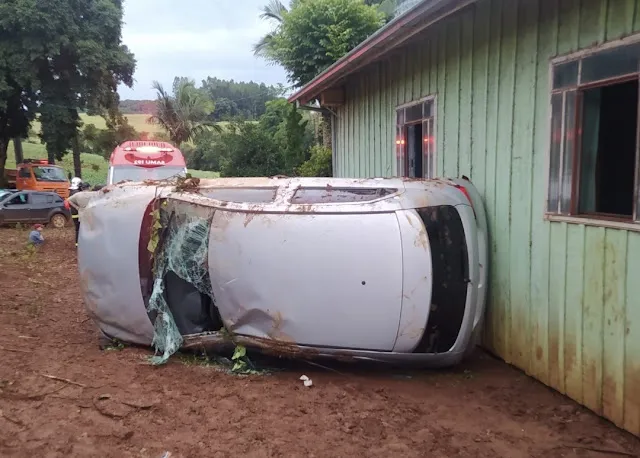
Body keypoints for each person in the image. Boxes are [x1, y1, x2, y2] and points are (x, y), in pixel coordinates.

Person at [67, 177, 83, 246]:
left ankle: (77, 243)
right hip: (78, 213)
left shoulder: (71, 192)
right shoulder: (77, 193)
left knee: (77, 229)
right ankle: (79, 243)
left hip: (74, 213)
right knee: (79, 229)